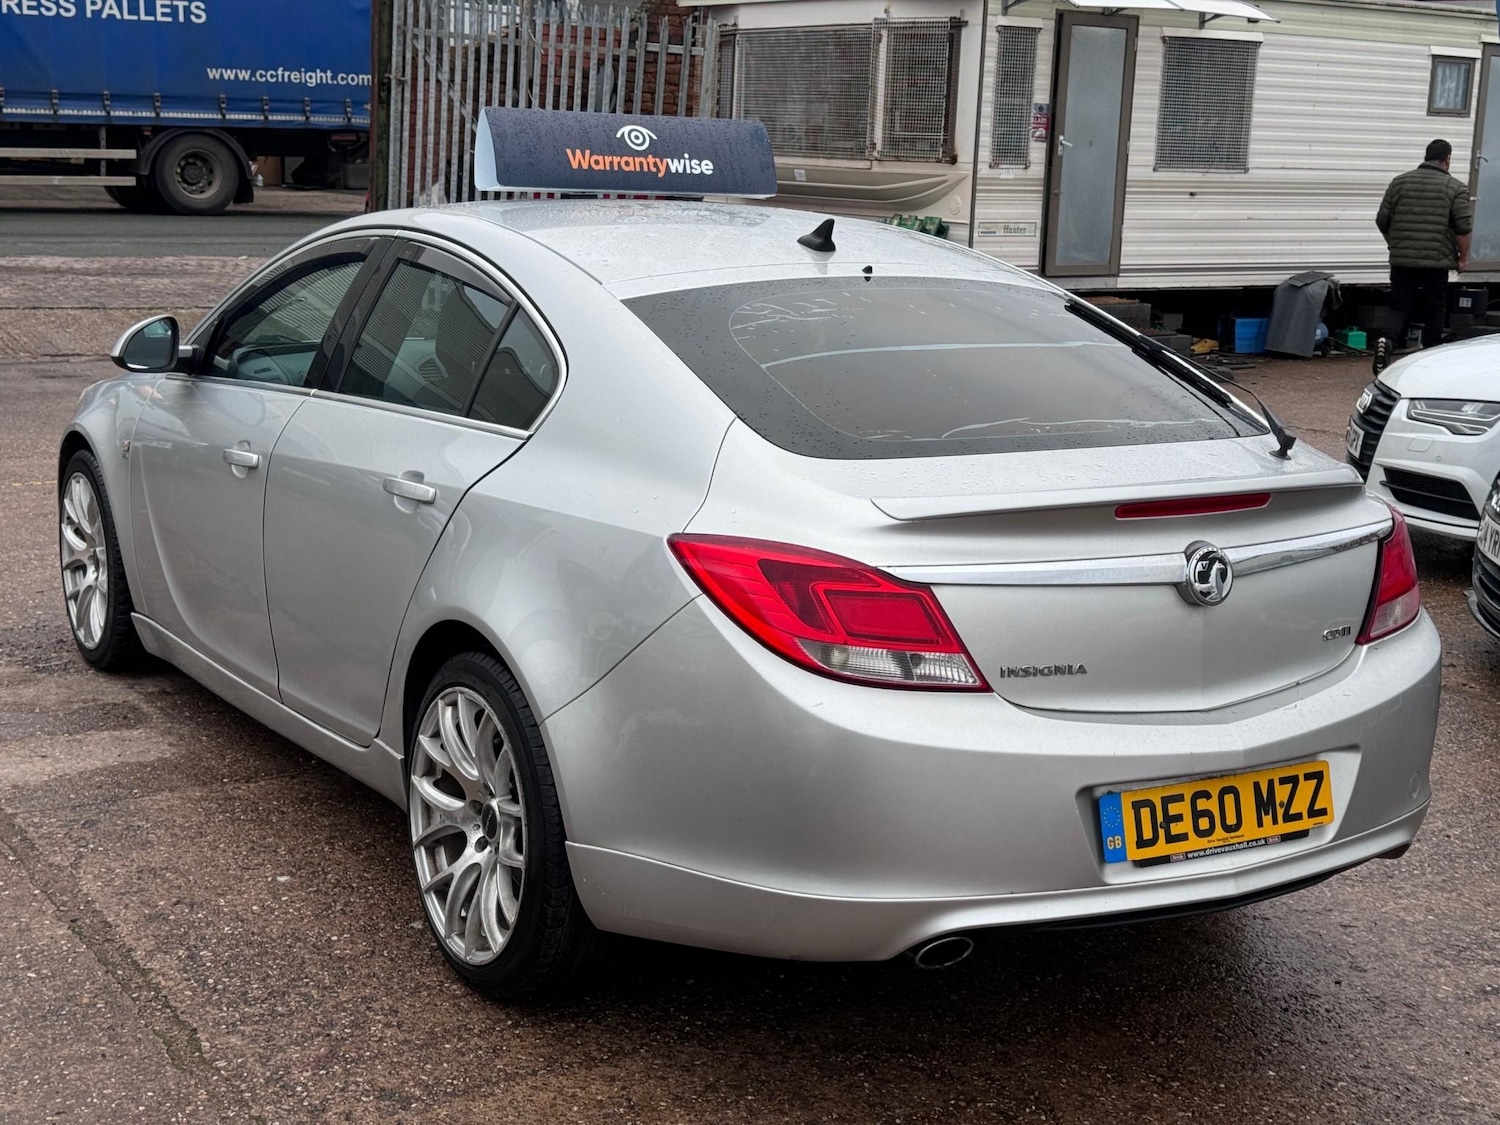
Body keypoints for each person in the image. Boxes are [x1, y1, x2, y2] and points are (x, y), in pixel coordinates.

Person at [1373, 139, 1474, 374]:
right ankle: (1429, 361)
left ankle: (1386, 341)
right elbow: (1463, 227)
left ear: (1426, 156)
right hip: (1435, 263)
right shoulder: (1455, 188)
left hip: (1402, 260)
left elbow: (1381, 220)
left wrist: (1395, 244)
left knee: (1399, 306)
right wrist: (1463, 259)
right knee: (1434, 310)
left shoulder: (1399, 183)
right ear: (1447, 159)